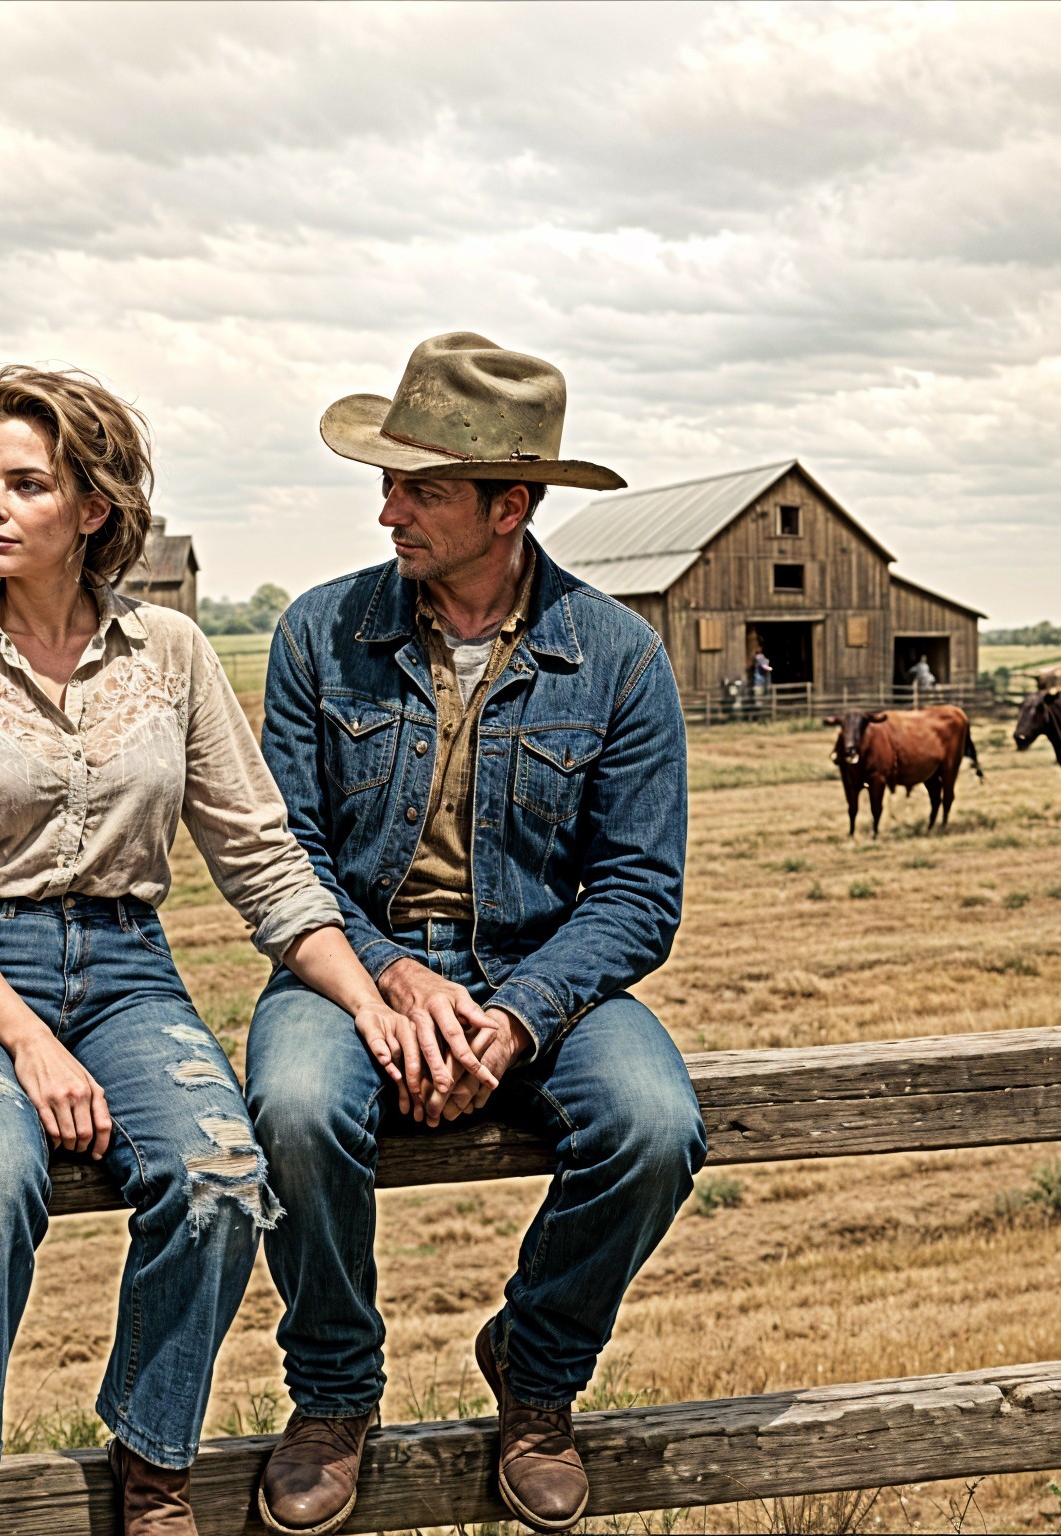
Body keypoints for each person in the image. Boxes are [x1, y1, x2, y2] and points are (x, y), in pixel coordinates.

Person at [0, 366, 408, 1536]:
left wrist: (367, 1005)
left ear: (92, 509)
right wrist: (28, 1044)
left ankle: (152, 1470)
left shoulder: (170, 653)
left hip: (123, 967)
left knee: (217, 1175)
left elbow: (260, 856)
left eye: (24, 485)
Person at [243, 333, 704, 1535]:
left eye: (419, 488)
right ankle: (334, 1392)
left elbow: (638, 892)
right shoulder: (316, 633)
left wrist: (511, 1018)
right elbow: (282, 853)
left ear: (510, 506)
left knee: (655, 1126)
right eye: (386, 481)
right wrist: (384, 979)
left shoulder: (616, 657)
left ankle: (537, 1374)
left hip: (540, 973)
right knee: (292, 1109)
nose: (385, 507)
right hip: (347, 954)